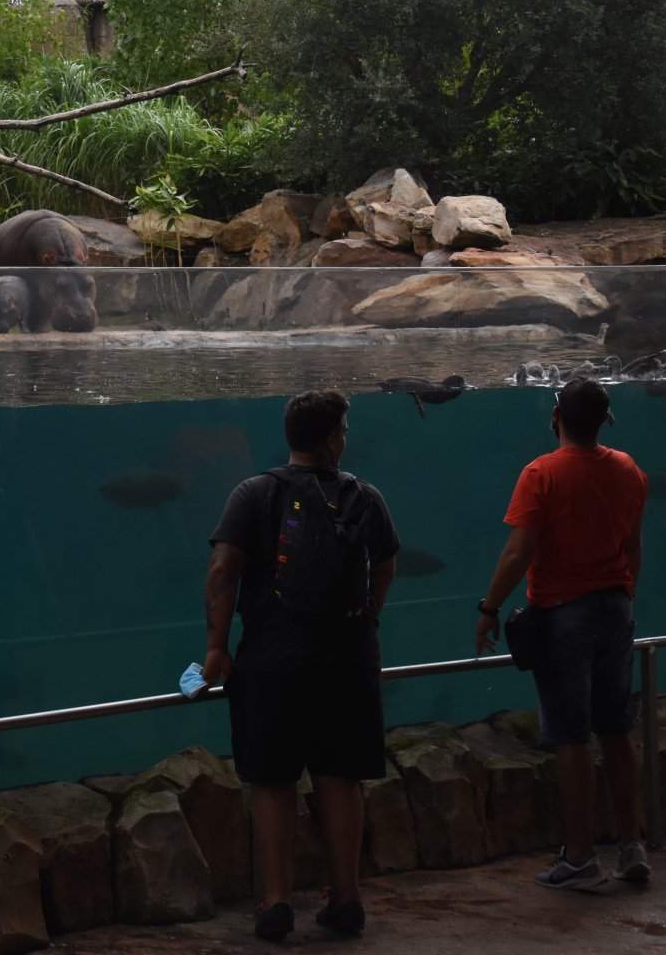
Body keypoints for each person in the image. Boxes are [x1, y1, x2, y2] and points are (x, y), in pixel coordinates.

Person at [203, 389, 400, 942]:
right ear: (333, 436)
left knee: (273, 781)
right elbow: (384, 567)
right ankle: (346, 900)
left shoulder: (255, 493)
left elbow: (223, 571)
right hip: (351, 658)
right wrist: (367, 620)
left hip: (274, 658)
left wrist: (217, 647)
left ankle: (275, 903)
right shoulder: (367, 497)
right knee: (340, 779)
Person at [474, 376, 649, 889]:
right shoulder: (628, 469)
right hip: (617, 609)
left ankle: (579, 857)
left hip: (562, 614)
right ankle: (632, 843)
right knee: (617, 728)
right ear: (604, 420)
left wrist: (489, 607)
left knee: (571, 735)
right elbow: (634, 547)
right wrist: (620, 595)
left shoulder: (542, 473)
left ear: (556, 418)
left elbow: (517, 552)